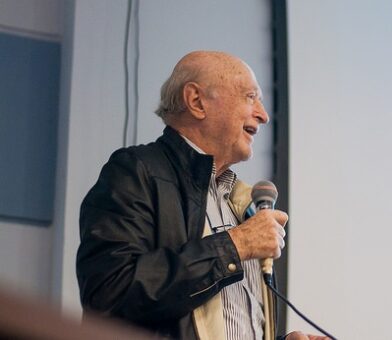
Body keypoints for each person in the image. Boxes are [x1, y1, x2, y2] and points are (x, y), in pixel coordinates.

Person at [77, 51, 328, 340]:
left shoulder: (241, 203)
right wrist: (234, 246)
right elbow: (110, 293)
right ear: (196, 101)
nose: (263, 114)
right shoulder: (136, 172)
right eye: (249, 97)